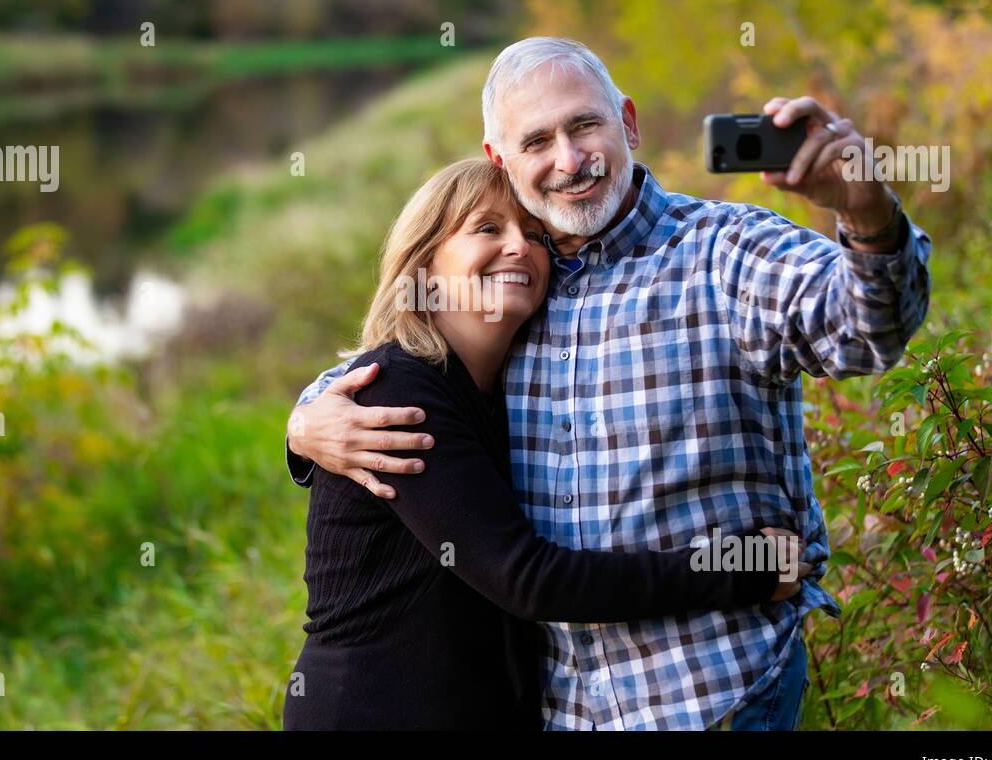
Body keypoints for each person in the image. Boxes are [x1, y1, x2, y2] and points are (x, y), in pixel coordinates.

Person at [285, 37, 933, 730]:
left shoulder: (723, 251)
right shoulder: (517, 290)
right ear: (501, 161)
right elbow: (390, 369)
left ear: (627, 122)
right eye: (537, 140)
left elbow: (867, 331)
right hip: (564, 711)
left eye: (584, 125)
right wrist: (304, 426)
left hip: (711, 700)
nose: (568, 160)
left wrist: (866, 214)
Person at [282, 157, 805, 730]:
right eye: (487, 228)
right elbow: (526, 578)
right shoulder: (399, 393)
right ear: (424, 265)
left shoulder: (507, 388)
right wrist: (742, 567)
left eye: (534, 235)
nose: (518, 247)